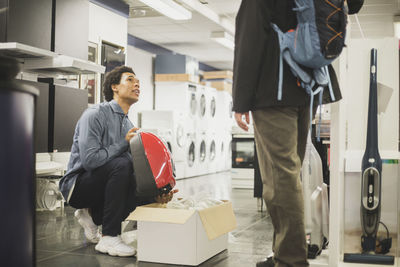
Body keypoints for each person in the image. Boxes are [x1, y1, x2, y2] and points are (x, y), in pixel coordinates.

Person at [233, 0, 364, 266]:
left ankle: (291, 260)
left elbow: (249, 42)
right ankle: (281, 251)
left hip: (273, 92)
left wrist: (240, 101)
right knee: (289, 178)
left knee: (281, 180)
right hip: (305, 89)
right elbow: (355, 4)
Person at [59, 65, 177, 257]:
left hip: (103, 186)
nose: (136, 83)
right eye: (130, 79)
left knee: (138, 179)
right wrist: (123, 144)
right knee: (122, 164)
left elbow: (132, 175)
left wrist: (155, 194)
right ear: (115, 87)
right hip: (77, 187)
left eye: (138, 81)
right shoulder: (95, 114)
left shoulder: (129, 125)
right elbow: (90, 161)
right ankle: (109, 237)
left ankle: (92, 215)